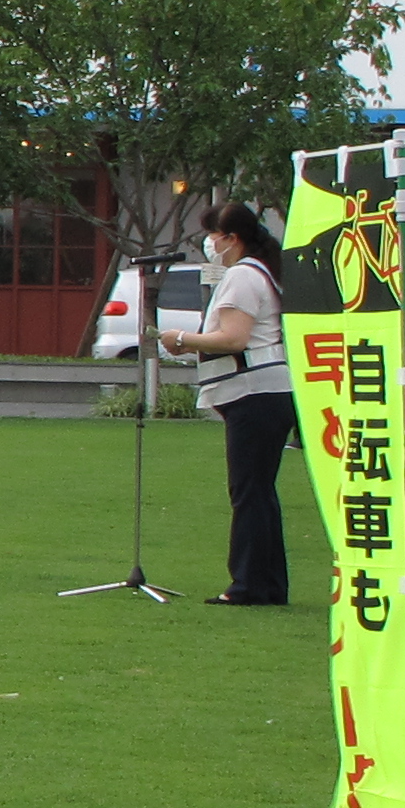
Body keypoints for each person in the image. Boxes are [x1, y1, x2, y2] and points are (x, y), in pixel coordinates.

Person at [171, 199, 293, 604]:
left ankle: (248, 584)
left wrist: (183, 340)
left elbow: (234, 338)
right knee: (259, 490)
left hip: (252, 391)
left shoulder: (243, 276)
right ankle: (267, 583)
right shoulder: (263, 272)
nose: (209, 242)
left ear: (231, 238)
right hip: (267, 390)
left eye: (213, 235)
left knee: (248, 491)